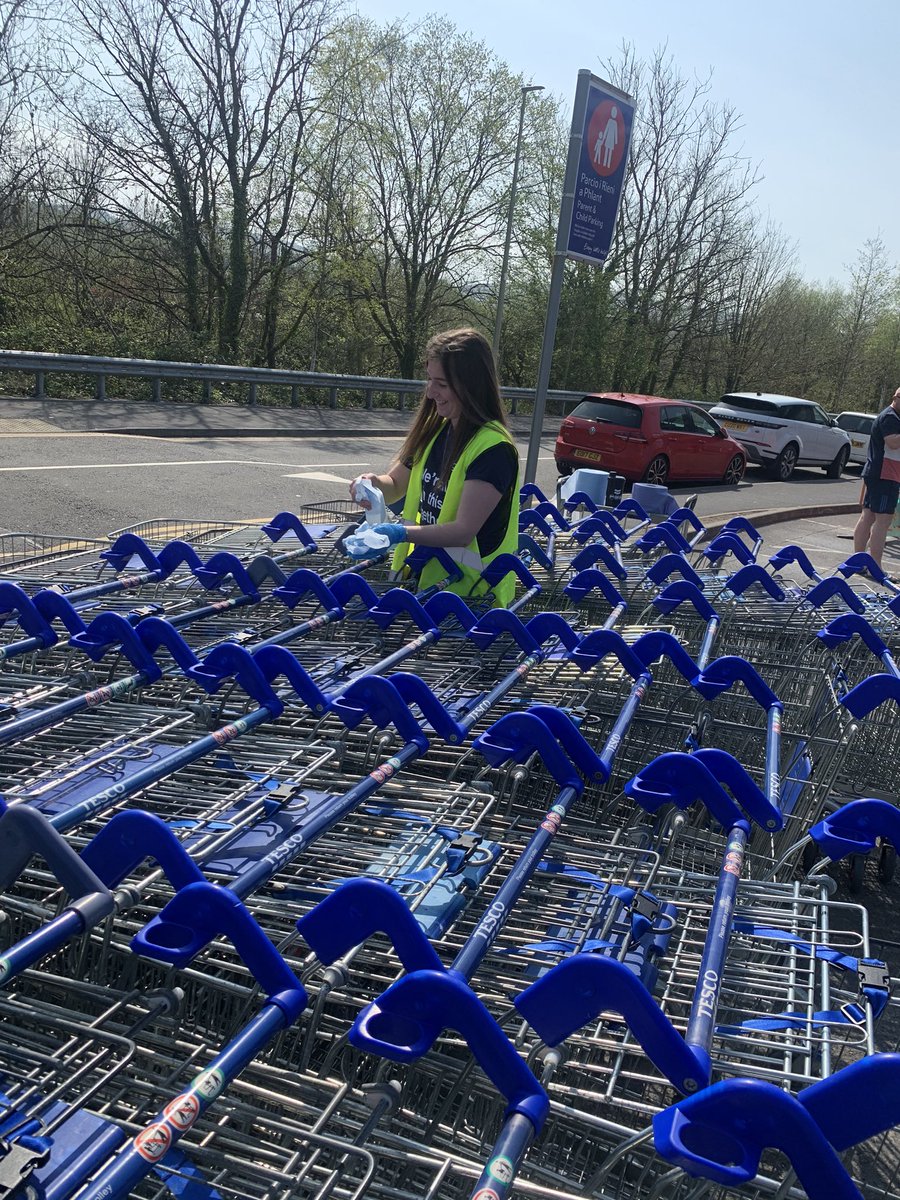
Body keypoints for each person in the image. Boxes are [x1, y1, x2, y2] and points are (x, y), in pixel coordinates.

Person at [349, 327, 520, 606]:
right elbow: (395, 486)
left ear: (470, 385)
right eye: (429, 380)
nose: (430, 392)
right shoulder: (436, 432)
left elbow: (463, 532)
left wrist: (398, 533)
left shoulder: (493, 449)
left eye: (441, 384)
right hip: (427, 585)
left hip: (472, 598)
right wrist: (373, 485)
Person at [852, 386, 900, 571]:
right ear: (896, 397)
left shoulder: (893, 416)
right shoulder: (890, 417)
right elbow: (893, 442)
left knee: (869, 516)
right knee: (883, 520)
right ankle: (875, 567)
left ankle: (859, 562)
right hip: (884, 474)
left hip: (880, 473)